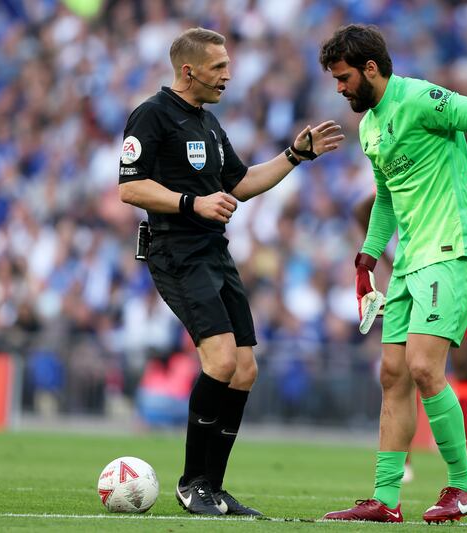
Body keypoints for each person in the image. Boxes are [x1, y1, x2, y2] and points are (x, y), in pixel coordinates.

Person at [118, 27, 343, 517]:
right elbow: (130, 189)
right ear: (188, 70)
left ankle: (213, 489)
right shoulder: (152, 115)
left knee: (244, 370)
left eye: (228, 65)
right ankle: (190, 483)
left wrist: (294, 155)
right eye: (218, 67)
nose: (228, 75)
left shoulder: (208, 124)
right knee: (219, 361)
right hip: (175, 251)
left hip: (215, 253)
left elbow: (240, 183)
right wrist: (191, 202)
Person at [319, 24, 467, 523]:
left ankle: (462, 488)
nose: (339, 89)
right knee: (393, 375)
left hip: (452, 248)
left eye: (343, 78)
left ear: (370, 68)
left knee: (426, 367)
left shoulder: (421, 97)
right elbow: (386, 197)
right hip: (408, 261)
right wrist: (365, 260)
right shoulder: (369, 127)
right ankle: (385, 499)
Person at [352, 167, 467, 486]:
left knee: (460, 365)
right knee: (408, 368)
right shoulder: (413, 160)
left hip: (457, 270)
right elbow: (368, 207)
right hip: (415, 269)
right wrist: (381, 258)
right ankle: (402, 465)